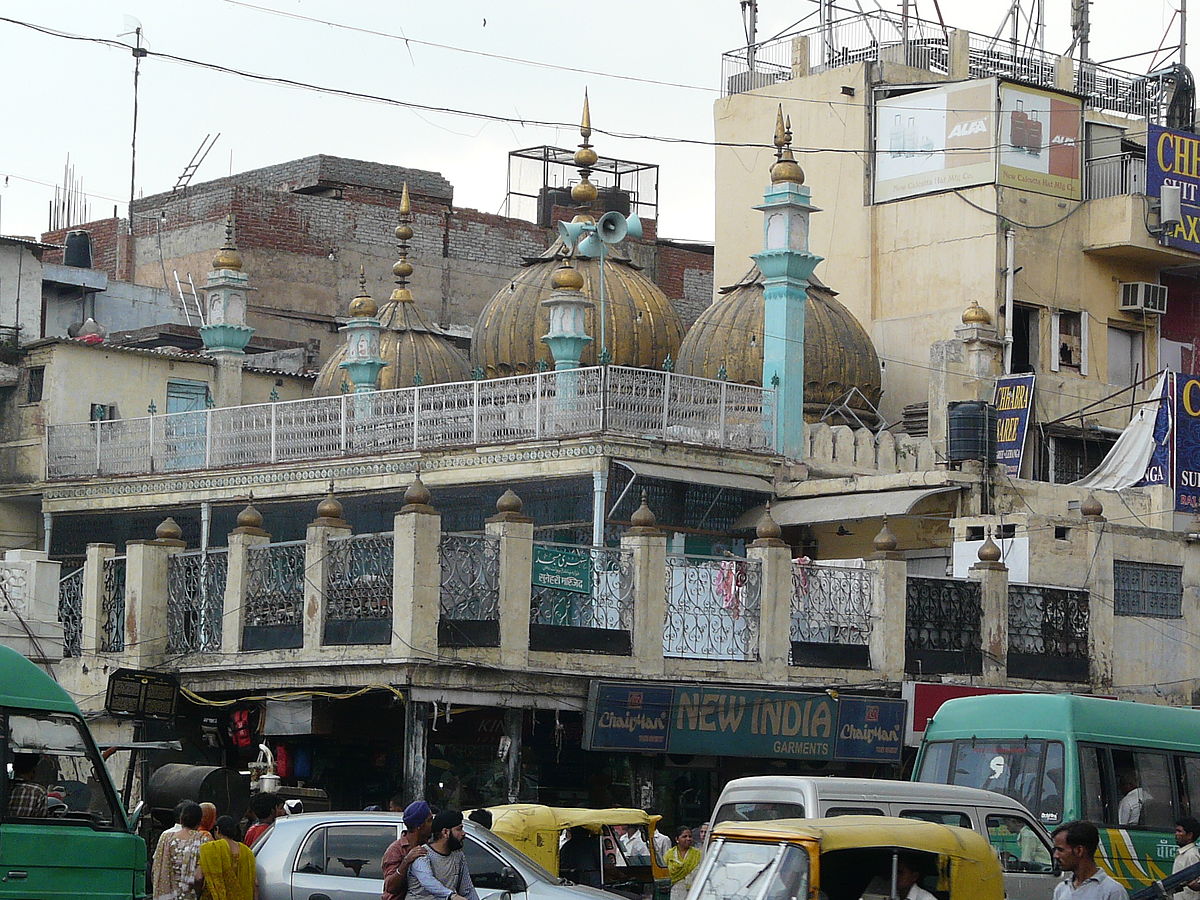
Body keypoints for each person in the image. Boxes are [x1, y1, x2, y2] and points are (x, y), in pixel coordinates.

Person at [407, 809, 480, 900]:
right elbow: (428, 880)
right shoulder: (422, 854)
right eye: (459, 829)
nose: (463, 834)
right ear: (445, 832)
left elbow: (467, 890)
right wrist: (452, 896)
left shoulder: (458, 856)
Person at [1051, 821, 1128, 899]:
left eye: (1060, 850)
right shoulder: (1061, 889)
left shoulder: (1113, 891)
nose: (1055, 855)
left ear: (1079, 850)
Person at [152, 800, 210, 900]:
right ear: (199, 822)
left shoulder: (166, 838)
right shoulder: (202, 840)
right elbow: (199, 877)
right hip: (189, 896)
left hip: (165, 896)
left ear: (181, 819)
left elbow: (155, 868)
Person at [194, 815, 256, 900]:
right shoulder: (247, 852)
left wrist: (197, 894)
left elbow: (198, 877)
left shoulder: (210, 848)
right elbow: (255, 883)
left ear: (217, 829)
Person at [382, 800, 433, 900]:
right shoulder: (395, 850)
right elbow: (390, 887)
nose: (433, 824)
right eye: (430, 820)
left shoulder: (431, 845)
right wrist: (406, 862)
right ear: (420, 826)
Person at [665, 827, 702, 900]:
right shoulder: (669, 855)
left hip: (692, 891)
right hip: (673, 891)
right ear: (677, 839)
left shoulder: (698, 854)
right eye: (684, 836)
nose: (688, 839)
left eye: (690, 836)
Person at [7, 753, 47, 817]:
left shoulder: (5, 787)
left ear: (14, 768)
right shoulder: (38, 791)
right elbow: (41, 821)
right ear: (34, 769)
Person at [1173, 817, 1200, 900]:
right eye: (1176, 831)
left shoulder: (1191, 855)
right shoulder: (1182, 854)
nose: (1176, 834)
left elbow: (1197, 883)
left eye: (1179, 831)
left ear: (1189, 835)